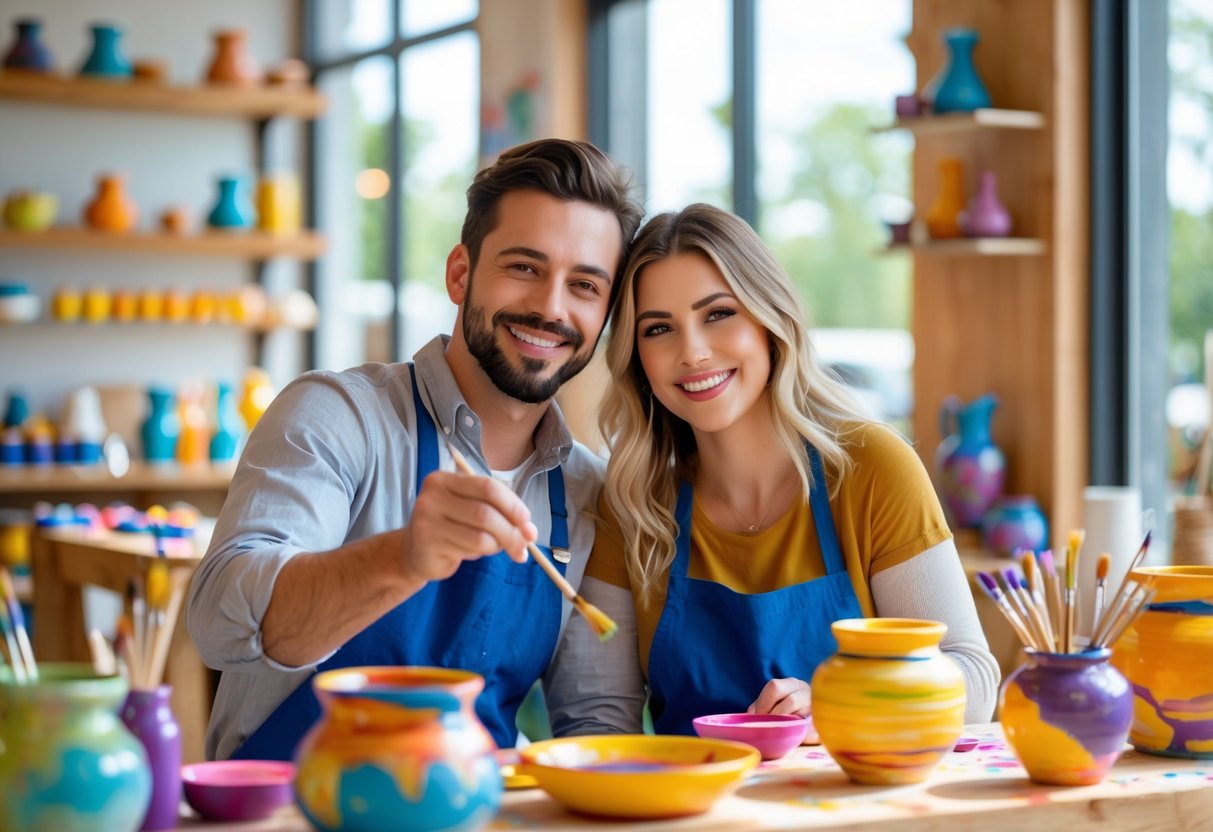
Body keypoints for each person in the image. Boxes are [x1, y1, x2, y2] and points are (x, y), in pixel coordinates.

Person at [186, 138, 644, 761]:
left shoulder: (589, 492)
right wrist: (405, 557)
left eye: (585, 285)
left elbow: (597, 727)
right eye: (524, 268)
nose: (550, 308)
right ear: (461, 274)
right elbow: (220, 622)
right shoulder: (338, 416)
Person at [545, 203, 999, 738]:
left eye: (718, 314)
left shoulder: (871, 469)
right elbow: (600, 718)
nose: (692, 351)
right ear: (635, 356)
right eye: (659, 328)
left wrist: (841, 702)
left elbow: (973, 680)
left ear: (769, 320)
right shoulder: (633, 504)